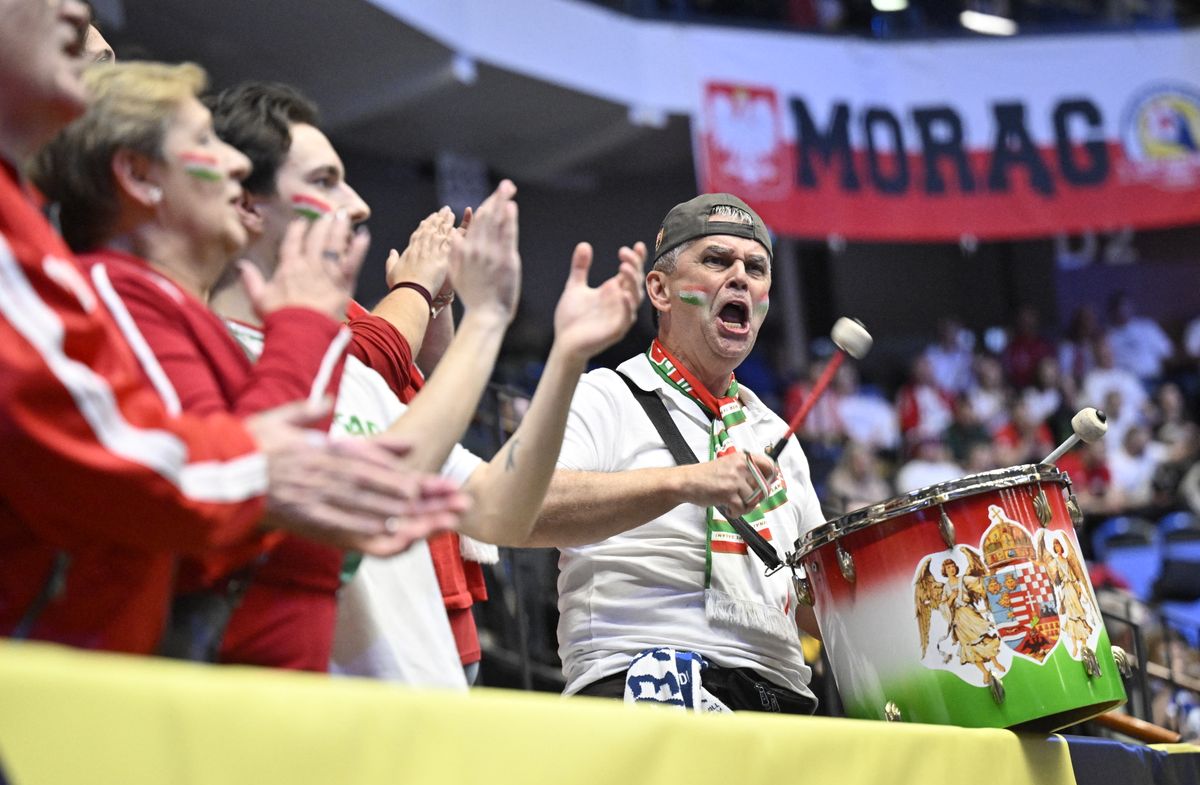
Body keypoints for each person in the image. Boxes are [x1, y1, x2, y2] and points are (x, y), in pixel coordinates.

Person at [0, 0, 463, 654]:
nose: (236, 166)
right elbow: (179, 508)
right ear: (137, 173)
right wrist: (263, 455)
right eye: (204, 147)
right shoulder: (112, 288)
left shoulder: (58, 252)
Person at [207, 81, 645, 680]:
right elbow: (380, 483)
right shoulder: (211, 360)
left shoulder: (353, 377)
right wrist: (484, 317)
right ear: (248, 205)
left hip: (424, 734)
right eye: (324, 181)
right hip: (320, 739)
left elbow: (499, 510)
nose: (358, 205)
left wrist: (568, 355)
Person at [532, 193, 825, 713]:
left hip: (782, 698)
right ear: (660, 290)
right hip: (643, 678)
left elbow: (815, 607)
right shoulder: (605, 395)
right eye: (716, 260)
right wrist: (688, 482)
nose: (740, 276)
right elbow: (529, 509)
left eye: (755, 268)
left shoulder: (776, 433)